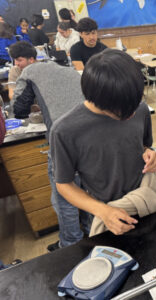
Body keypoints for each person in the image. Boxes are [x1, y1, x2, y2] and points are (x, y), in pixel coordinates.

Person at [50, 49, 156, 236]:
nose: (131, 115)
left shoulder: (138, 108)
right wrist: (102, 211)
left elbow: (143, 145)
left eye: (134, 106)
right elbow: (64, 184)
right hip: (106, 209)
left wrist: (151, 153)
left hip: (144, 198)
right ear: (97, 99)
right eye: (123, 111)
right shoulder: (65, 131)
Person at [11, 42, 90, 251]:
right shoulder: (66, 69)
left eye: (18, 60)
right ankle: (93, 234)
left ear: (29, 59)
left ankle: (71, 243)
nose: (17, 64)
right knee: (87, 190)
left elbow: (18, 110)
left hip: (63, 143)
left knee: (64, 197)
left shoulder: (28, 73)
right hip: (90, 138)